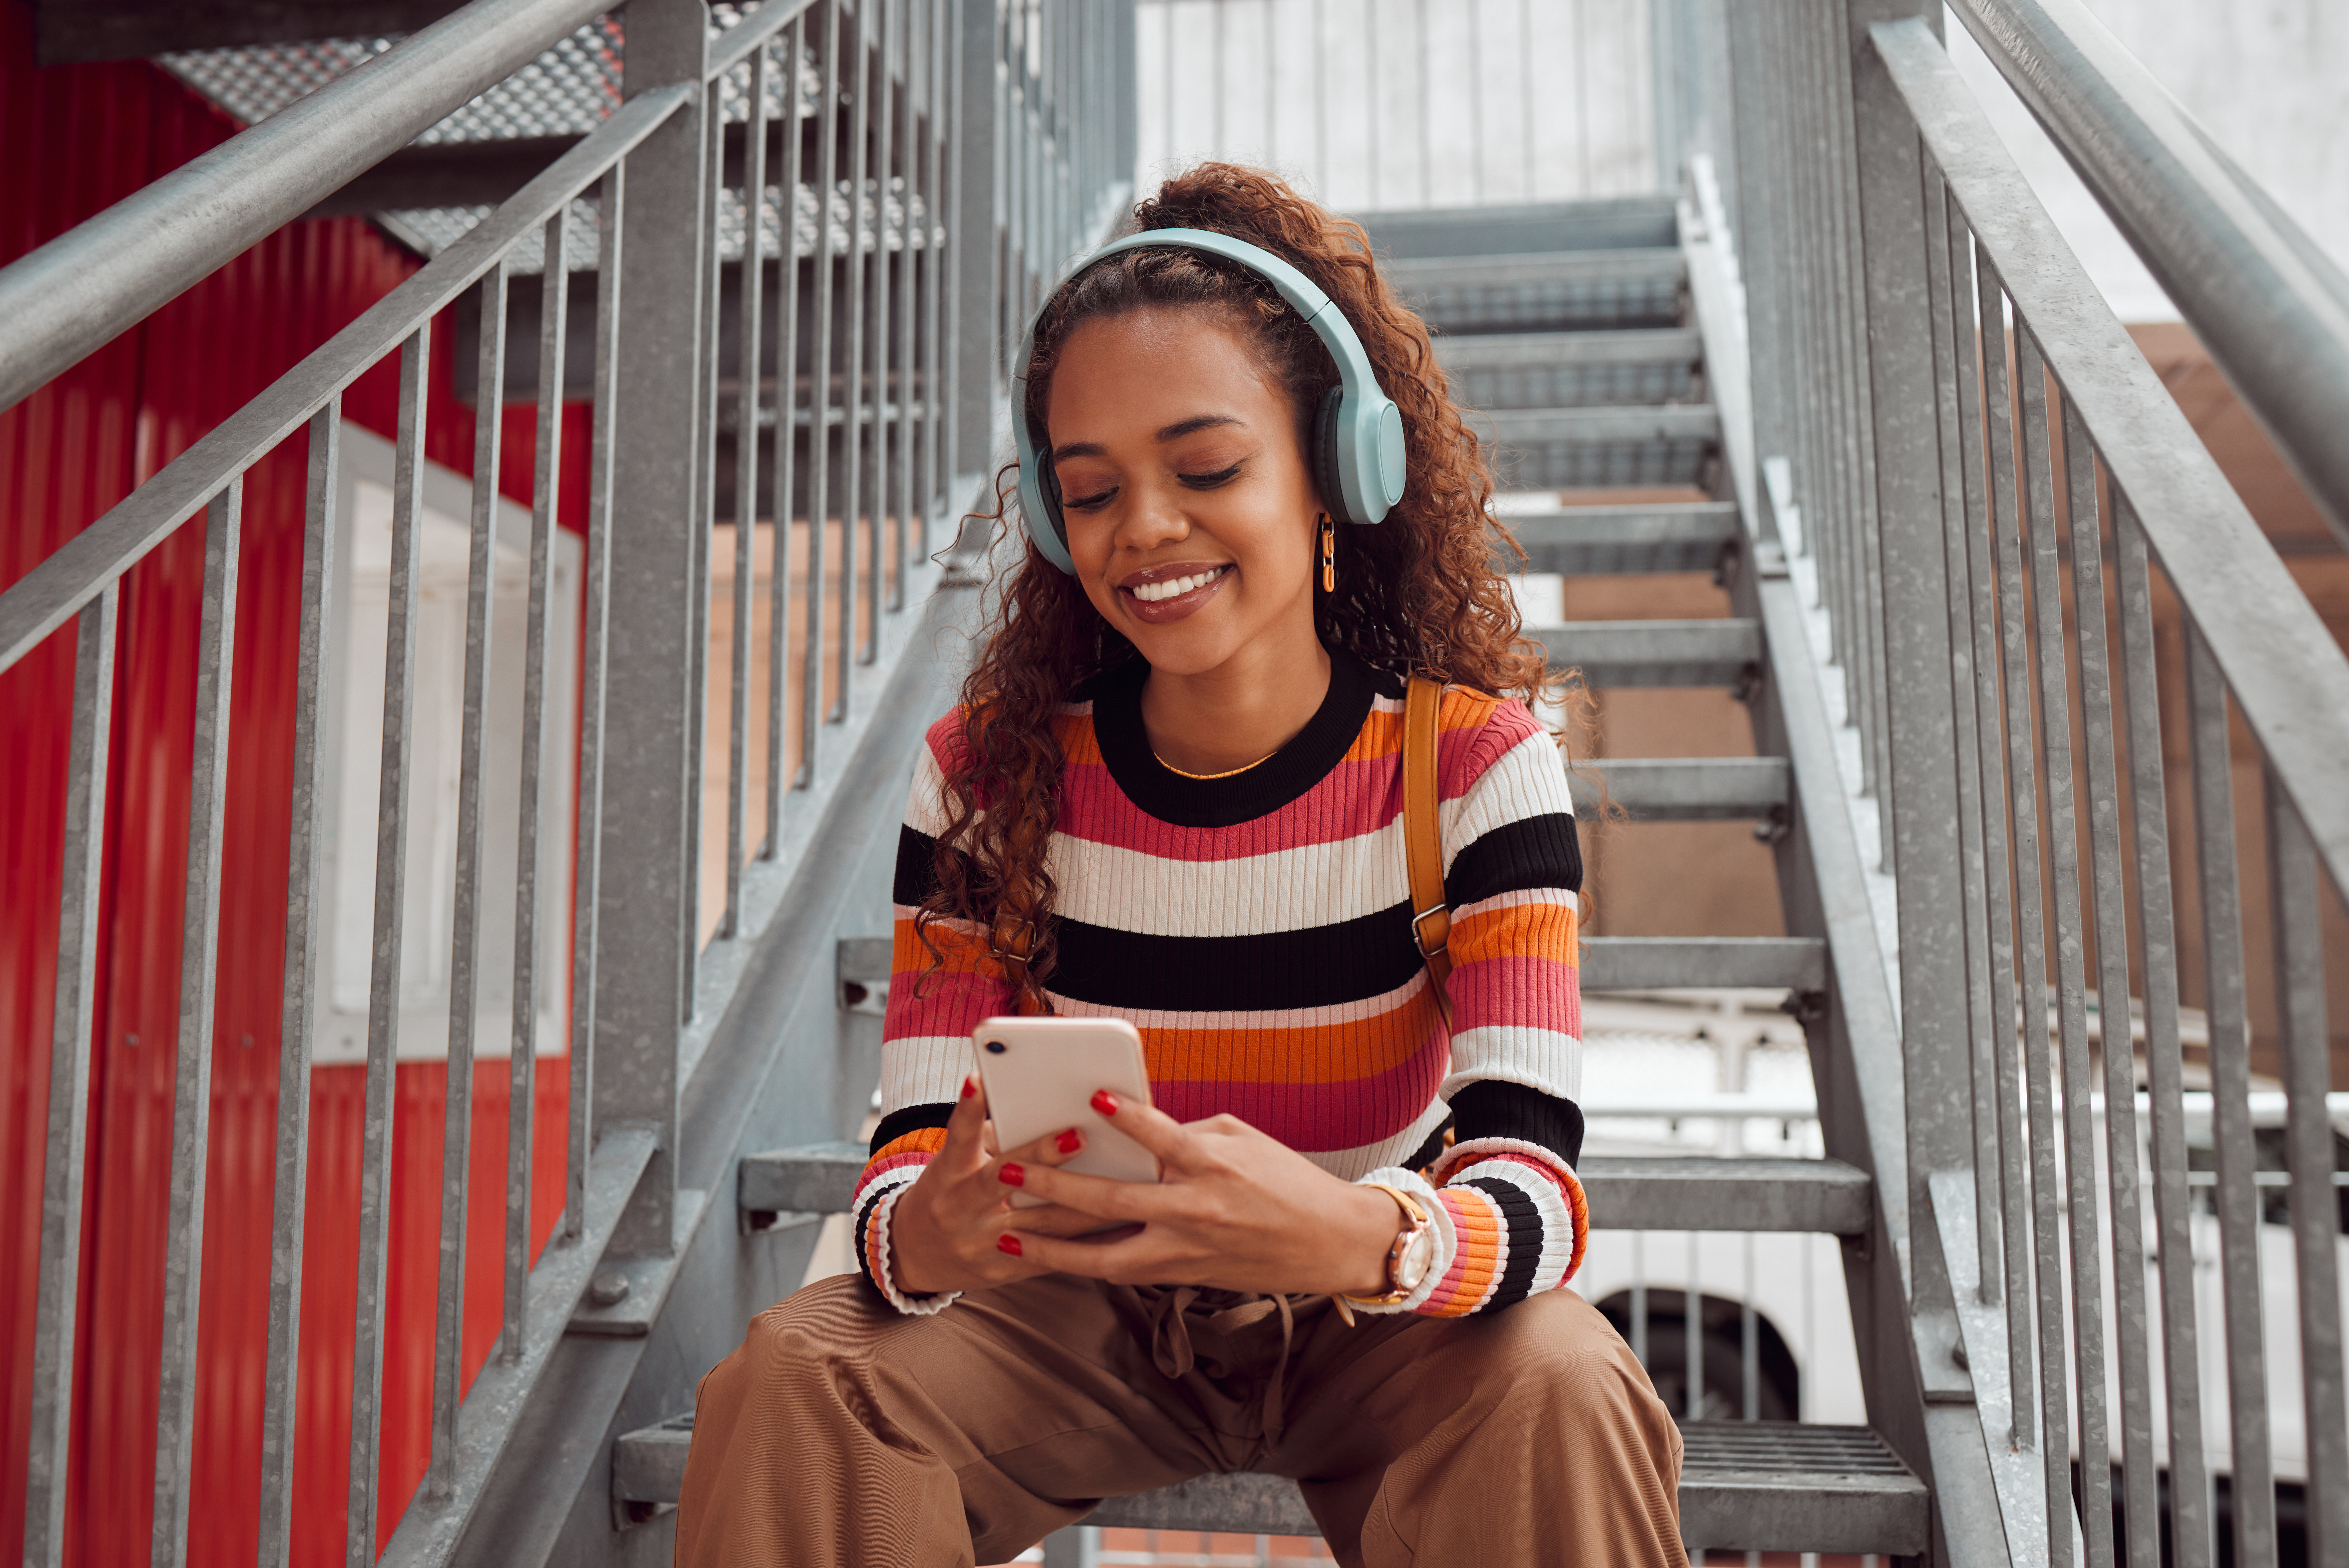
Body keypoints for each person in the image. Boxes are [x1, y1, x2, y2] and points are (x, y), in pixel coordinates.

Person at [674, 163, 1683, 1568]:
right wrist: (933, 1235)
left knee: (1564, 1381)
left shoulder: (1472, 763)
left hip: (1367, 1307)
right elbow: (905, 1161)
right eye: (1088, 492)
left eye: (1206, 469)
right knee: (799, 1375)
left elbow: (1530, 1188)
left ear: (1341, 470)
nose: (1143, 528)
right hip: (1068, 1320)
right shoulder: (985, 773)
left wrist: (1351, 1237)